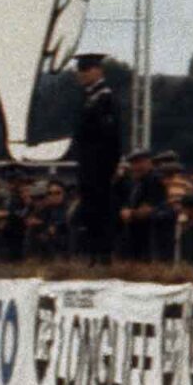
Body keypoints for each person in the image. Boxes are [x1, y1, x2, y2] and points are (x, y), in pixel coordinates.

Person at [72, 53, 121, 264]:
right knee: (90, 212)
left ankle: (102, 255)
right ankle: (92, 255)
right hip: (88, 165)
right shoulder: (88, 97)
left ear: (97, 70)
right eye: (80, 70)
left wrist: (108, 167)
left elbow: (109, 137)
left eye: (86, 69)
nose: (81, 75)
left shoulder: (104, 98)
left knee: (101, 211)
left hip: (99, 166)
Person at [118, 149, 167, 261]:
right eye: (133, 163)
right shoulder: (135, 182)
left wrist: (133, 213)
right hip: (134, 231)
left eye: (139, 163)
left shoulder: (154, 180)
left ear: (148, 162)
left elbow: (154, 206)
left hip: (150, 231)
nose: (136, 167)